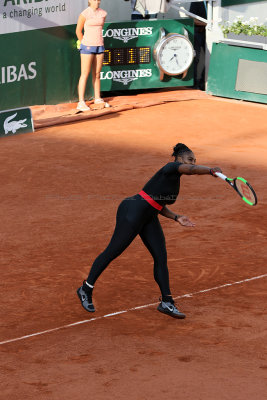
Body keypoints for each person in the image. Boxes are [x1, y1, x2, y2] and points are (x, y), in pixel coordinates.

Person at [77, 143, 222, 319]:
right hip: (132, 211)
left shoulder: (174, 181)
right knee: (113, 251)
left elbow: (157, 204)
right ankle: (85, 289)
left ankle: (167, 302)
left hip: (148, 216)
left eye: (194, 161)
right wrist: (209, 171)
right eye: (190, 159)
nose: (192, 163)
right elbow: (190, 169)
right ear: (179, 159)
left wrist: (176, 217)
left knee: (161, 256)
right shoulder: (171, 167)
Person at [76, 0, 110, 112]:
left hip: (99, 46)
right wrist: (84, 43)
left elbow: (99, 29)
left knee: (97, 74)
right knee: (85, 73)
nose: (97, 1)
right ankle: (81, 102)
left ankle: (97, 98)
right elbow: (78, 31)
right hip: (87, 47)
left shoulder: (103, 13)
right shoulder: (84, 14)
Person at [189, 1, 207, 90]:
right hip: (197, 33)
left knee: (210, 58)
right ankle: (193, 83)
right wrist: (206, 24)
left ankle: (203, 83)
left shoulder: (213, 3)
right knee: (195, 58)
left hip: (209, 34)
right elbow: (192, 19)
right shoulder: (196, 2)